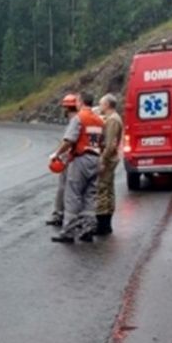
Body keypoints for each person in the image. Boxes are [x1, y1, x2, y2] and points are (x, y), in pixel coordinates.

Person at [51, 92, 105, 244]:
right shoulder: (100, 121)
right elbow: (104, 143)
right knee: (90, 195)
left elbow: (69, 140)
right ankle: (87, 229)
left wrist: (57, 154)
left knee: (73, 194)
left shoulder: (79, 118)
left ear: (80, 102)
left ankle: (68, 232)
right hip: (95, 159)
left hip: (80, 159)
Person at [46, 94, 80, 227]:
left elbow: (68, 141)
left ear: (66, 108)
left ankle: (60, 214)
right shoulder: (80, 119)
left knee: (63, 187)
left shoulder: (74, 121)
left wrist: (57, 154)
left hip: (71, 159)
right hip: (79, 159)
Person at [95, 94, 123, 236]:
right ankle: (107, 224)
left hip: (108, 159)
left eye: (101, 104)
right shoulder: (115, 118)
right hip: (111, 158)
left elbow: (110, 143)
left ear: (107, 105)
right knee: (109, 190)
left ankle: (103, 224)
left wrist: (102, 159)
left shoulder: (112, 120)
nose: (100, 107)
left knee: (102, 190)